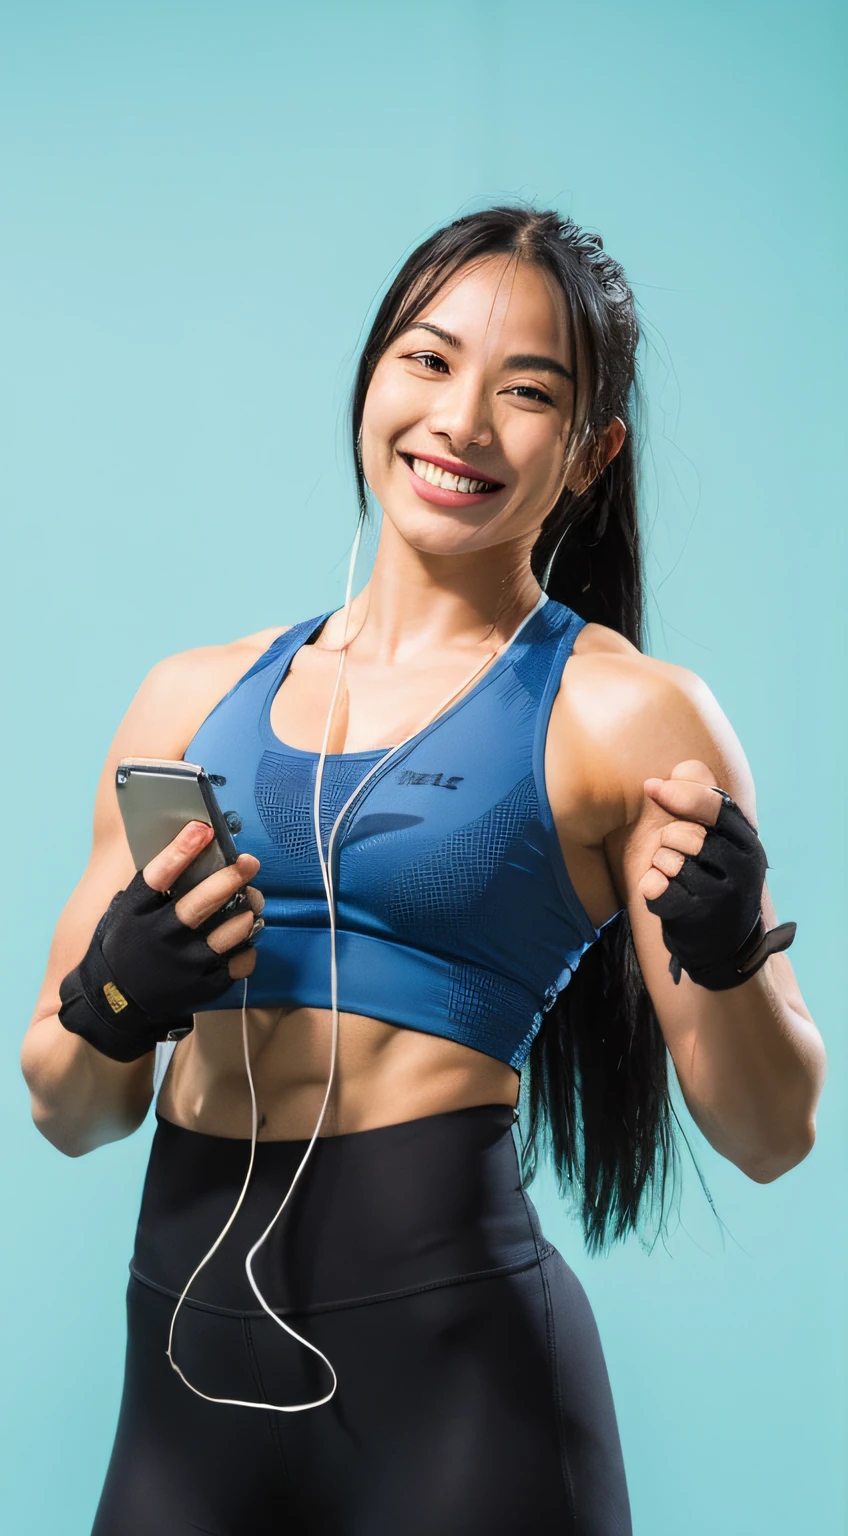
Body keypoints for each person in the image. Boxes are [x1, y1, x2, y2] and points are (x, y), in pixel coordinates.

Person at [21, 205, 826, 1535]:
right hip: (181, 1373)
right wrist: (118, 998)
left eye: (528, 393)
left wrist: (731, 951)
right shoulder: (186, 699)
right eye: (429, 360)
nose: (461, 423)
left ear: (589, 454)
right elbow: (69, 1109)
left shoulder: (624, 716)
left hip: (459, 1392)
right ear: (374, 373)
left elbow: (770, 1133)